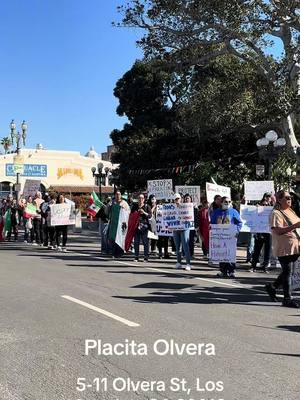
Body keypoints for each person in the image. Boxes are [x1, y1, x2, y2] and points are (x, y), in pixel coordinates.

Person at [265, 190, 300, 308]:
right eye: (287, 197)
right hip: (284, 247)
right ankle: (287, 299)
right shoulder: (276, 213)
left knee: (288, 272)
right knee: (288, 272)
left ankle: (273, 287)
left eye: (290, 197)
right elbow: (277, 231)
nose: (290, 199)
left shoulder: (290, 210)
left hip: (295, 246)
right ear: (279, 200)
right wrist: (295, 226)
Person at [210, 196, 243, 278]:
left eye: (229, 201)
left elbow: (239, 223)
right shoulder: (216, 212)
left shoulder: (233, 212)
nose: (227, 203)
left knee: (231, 253)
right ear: (221, 203)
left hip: (231, 236)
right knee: (222, 253)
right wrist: (212, 230)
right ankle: (223, 271)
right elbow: (212, 223)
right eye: (225, 201)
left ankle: (231, 271)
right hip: (220, 236)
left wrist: (236, 231)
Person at [250, 195, 272, 273]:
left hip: (268, 232)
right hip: (259, 231)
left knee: (267, 251)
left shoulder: (272, 207)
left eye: (269, 197)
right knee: (257, 249)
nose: (265, 205)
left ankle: (265, 267)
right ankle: (253, 266)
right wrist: (256, 208)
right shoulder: (257, 207)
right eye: (264, 204)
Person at [172, 193, 191, 271]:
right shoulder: (171, 208)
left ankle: (188, 263)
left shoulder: (185, 207)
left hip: (184, 228)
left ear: (181, 199)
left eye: (178, 199)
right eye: (175, 199)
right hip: (175, 229)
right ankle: (178, 262)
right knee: (177, 247)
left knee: (185, 246)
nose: (177, 200)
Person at [109, 190, 130, 258]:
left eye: (119, 194)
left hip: (121, 224)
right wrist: (108, 206)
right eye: (116, 194)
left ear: (121, 195)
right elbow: (107, 212)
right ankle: (113, 253)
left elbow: (128, 212)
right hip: (114, 224)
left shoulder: (124, 203)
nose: (118, 196)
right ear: (114, 195)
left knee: (120, 238)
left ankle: (120, 253)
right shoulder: (112, 203)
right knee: (113, 238)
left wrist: (124, 209)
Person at [132, 193, 152, 262]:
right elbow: (131, 215)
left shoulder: (147, 206)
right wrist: (136, 213)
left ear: (144, 199)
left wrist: (144, 212)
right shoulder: (135, 206)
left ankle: (146, 257)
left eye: (142, 198)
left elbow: (150, 216)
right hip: (136, 226)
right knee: (136, 242)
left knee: (145, 242)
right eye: (139, 198)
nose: (141, 200)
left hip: (145, 226)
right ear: (137, 199)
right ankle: (136, 256)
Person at [183, 193, 198, 258]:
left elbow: (196, 218)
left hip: (192, 227)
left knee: (191, 241)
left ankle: (191, 254)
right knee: (184, 241)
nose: (187, 199)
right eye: (185, 198)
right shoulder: (181, 208)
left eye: (188, 198)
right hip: (184, 227)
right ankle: (184, 254)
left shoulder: (194, 209)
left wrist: (196, 226)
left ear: (190, 199)